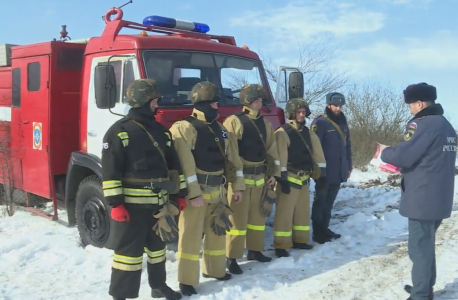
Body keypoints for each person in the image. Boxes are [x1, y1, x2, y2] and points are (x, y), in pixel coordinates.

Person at [101, 79, 187, 300]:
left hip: (160, 204)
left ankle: (158, 286)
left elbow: (174, 166)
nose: (158, 104)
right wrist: (116, 204)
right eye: (155, 100)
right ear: (143, 100)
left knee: (158, 249)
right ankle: (121, 295)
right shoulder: (120, 132)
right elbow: (110, 173)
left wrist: (180, 195)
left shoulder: (161, 131)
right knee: (128, 253)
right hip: (132, 207)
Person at [380, 83, 456, 300]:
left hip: (422, 197)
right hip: (440, 196)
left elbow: (403, 156)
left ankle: (421, 295)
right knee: (426, 245)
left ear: (420, 103)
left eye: (411, 105)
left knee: (419, 248)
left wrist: (384, 153)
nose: (410, 109)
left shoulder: (422, 125)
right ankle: (425, 289)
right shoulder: (446, 125)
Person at [169, 81, 245, 296]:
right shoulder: (183, 128)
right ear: (202, 103)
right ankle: (187, 279)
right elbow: (185, 165)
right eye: (213, 103)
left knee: (217, 232)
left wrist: (237, 187)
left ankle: (215, 269)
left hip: (218, 191)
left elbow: (233, 161)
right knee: (190, 237)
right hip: (198, 193)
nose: (217, 106)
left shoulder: (221, 129)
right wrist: (193, 194)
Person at [224, 83, 281, 274]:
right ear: (247, 100)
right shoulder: (233, 121)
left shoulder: (265, 124)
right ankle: (231, 257)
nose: (259, 102)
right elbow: (231, 154)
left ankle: (255, 250)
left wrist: (273, 174)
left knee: (258, 218)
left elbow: (272, 150)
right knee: (237, 222)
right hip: (241, 179)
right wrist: (236, 182)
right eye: (256, 99)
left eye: (260, 99)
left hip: (260, 178)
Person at [273, 98, 327, 257]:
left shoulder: (309, 133)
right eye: (298, 112)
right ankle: (281, 245)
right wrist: (281, 178)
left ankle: (300, 240)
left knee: (302, 213)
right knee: (284, 214)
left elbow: (318, 154)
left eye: (304, 112)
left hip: (304, 179)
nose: (302, 115)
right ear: (291, 113)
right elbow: (280, 156)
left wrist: (322, 174)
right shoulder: (282, 133)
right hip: (288, 179)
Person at [310, 92, 352, 244]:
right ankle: (317, 232)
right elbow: (314, 148)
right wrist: (316, 170)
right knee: (320, 202)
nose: (338, 108)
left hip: (339, 170)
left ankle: (325, 228)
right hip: (324, 171)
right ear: (328, 105)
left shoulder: (343, 122)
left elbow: (347, 147)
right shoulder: (320, 123)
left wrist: (349, 167)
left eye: (340, 106)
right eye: (335, 105)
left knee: (329, 203)